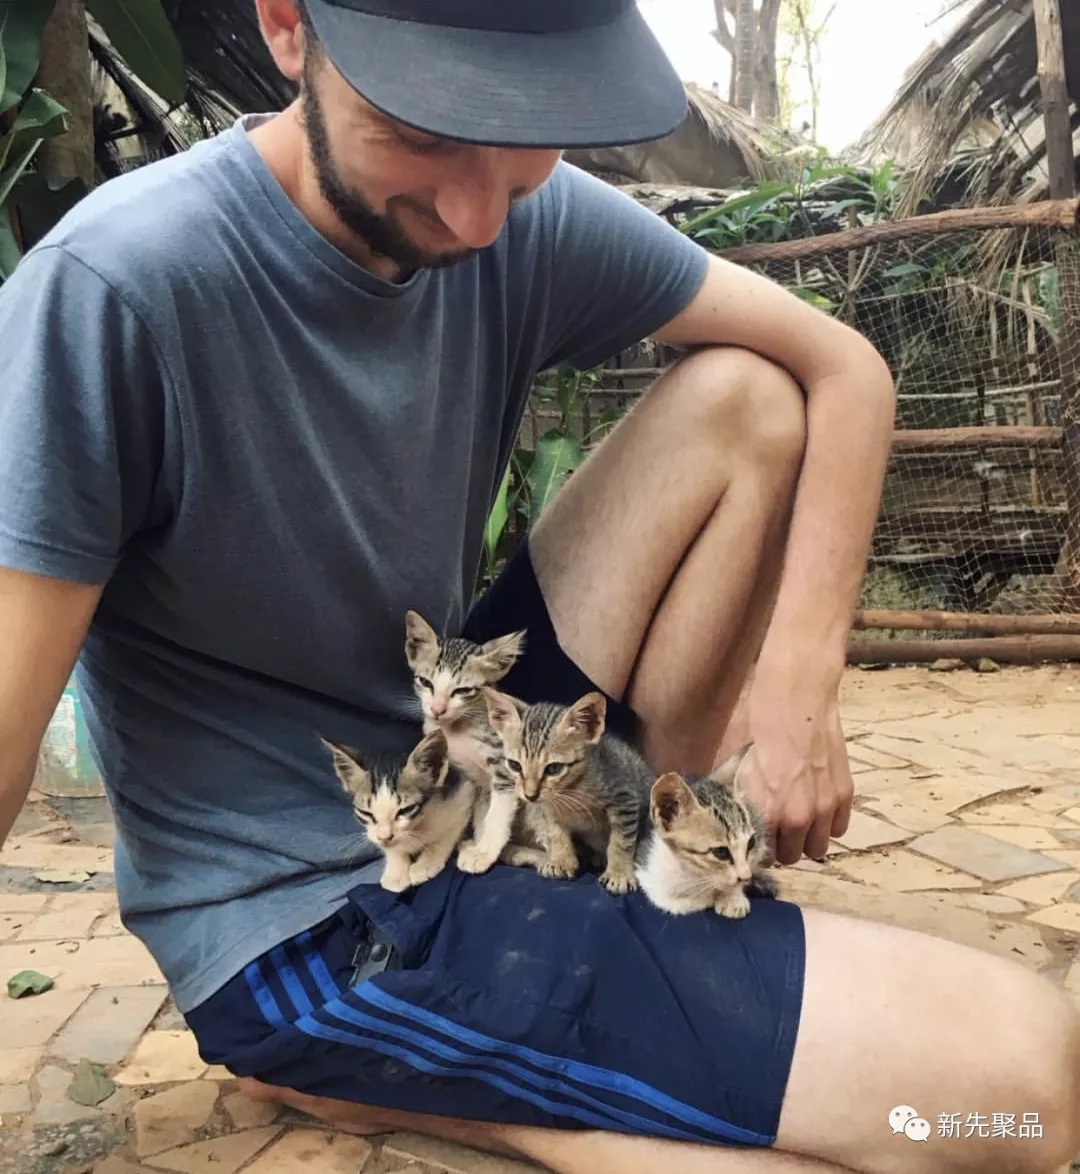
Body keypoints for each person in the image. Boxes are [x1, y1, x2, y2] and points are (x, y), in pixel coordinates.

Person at [0, 1, 1077, 1171]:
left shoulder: (523, 214)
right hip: (317, 907)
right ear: (288, 25)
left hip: (480, 764)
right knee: (1026, 1092)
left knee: (751, 400)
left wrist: (800, 687)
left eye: (522, 149)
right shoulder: (116, 288)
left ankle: (619, 904)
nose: (476, 217)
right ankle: (403, 1062)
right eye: (423, 133)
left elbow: (843, 367)